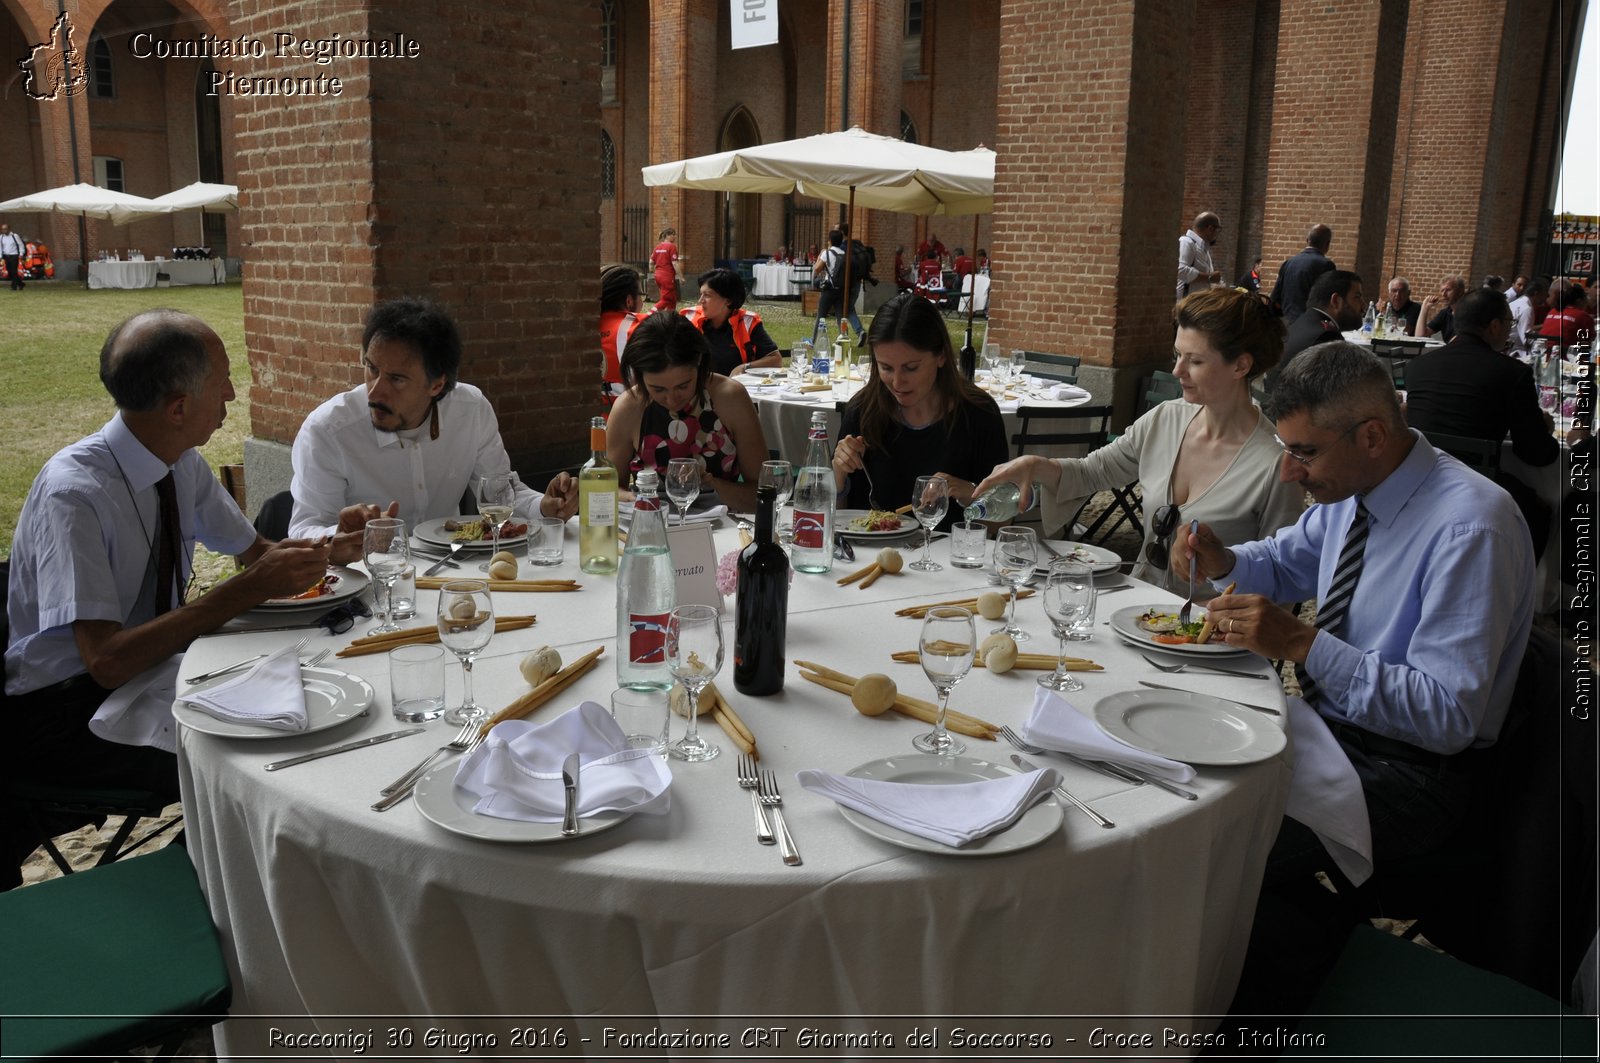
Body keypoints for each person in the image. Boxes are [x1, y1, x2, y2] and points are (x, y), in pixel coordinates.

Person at [1177, 342, 1534, 1013]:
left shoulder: (1470, 526)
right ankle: (1269, 968)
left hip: (1417, 773)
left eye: (1303, 452)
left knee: (1211, 842)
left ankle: (1254, 1001)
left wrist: (1302, 644)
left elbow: (1448, 718)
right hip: (1333, 733)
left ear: (1372, 434)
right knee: (1181, 775)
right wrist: (1227, 557)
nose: (1287, 471)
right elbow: (1287, 561)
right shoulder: (1354, 487)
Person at [6, 309, 335, 806]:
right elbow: (107, 663)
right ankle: (204, 878)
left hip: (156, 670)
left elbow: (257, 554)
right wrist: (244, 589)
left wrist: (333, 548)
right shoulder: (74, 495)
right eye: (223, 382)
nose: (230, 394)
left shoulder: (180, 460)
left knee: (309, 699)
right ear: (178, 409)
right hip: (62, 709)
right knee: (258, 769)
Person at [974, 287, 1304, 596]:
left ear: (1241, 366)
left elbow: (1281, 579)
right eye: (1177, 355)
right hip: (1137, 614)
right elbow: (1093, 471)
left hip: (1212, 640)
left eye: (1195, 360)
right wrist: (1037, 465)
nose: (1177, 371)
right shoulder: (1164, 420)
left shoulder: (1276, 463)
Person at [289, 298, 578, 541]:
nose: (376, 392)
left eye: (397, 379)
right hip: (369, 580)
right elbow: (303, 530)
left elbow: (500, 496)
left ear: (437, 385)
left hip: (454, 570)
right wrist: (338, 533)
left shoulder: (470, 410)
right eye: (372, 369)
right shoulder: (328, 431)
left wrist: (545, 506)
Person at [829, 292, 1008, 527]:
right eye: (886, 368)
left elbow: (1003, 521)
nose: (897, 382)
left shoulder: (979, 414)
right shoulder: (864, 411)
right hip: (873, 557)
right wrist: (838, 475)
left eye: (911, 368)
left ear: (941, 356)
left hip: (952, 558)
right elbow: (832, 520)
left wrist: (969, 493)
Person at [1402, 288, 1557, 558]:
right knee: (1542, 511)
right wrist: (1543, 427)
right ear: (1494, 326)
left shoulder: (1418, 367)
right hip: (1476, 486)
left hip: (1417, 480)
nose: (1509, 330)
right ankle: (1522, 591)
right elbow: (1535, 453)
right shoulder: (1512, 373)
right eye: (1509, 323)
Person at [607, 310, 769, 513]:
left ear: (699, 361)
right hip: (652, 523)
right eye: (658, 389)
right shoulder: (630, 407)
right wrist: (636, 498)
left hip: (725, 528)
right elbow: (608, 490)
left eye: (683, 386)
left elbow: (763, 493)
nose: (672, 399)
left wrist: (712, 484)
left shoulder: (729, 398)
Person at [1270, 270, 1365, 391]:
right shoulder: (1327, 338)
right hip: (1288, 407)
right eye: (1357, 297)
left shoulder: (1302, 323)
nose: (1363, 305)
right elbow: (1342, 393)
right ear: (1336, 301)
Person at [681, 267, 779, 377]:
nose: (700, 301)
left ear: (728, 300)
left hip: (735, 388)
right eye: (701, 294)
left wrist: (744, 367)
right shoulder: (689, 319)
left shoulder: (747, 323)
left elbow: (775, 359)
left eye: (707, 295)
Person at [600, 264, 645, 405]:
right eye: (641, 295)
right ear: (629, 301)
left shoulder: (581, 326)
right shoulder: (640, 327)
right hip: (629, 419)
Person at [1271, 224, 1335, 323]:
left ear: (1307, 240)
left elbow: (1275, 298)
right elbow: (1328, 301)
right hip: (1310, 325)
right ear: (1327, 244)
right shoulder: (1326, 265)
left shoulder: (1289, 262)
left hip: (1286, 324)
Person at [813, 228, 865, 341]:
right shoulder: (845, 254)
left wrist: (819, 257)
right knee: (841, 317)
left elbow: (817, 269)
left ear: (830, 241)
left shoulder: (826, 253)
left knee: (820, 316)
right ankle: (843, 338)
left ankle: (813, 340)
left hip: (829, 289)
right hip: (842, 289)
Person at [1177, 211, 1223, 300]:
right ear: (1210, 229)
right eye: (1217, 231)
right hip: (1185, 304)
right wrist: (1209, 277)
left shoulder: (1203, 248)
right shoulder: (1187, 242)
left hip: (1197, 304)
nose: (1216, 235)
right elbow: (1180, 270)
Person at [1538, 280, 1596, 350]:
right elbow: (1588, 341)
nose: (1586, 302)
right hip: (1564, 354)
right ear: (1579, 301)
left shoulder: (1553, 311)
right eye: (1585, 299)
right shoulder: (1583, 316)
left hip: (1541, 350)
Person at [1416, 274, 1466, 341]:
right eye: (1442, 290)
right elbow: (1420, 336)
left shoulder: (1471, 311)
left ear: (1460, 291)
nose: (1443, 294)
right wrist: (1424, 308)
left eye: (1448, 290)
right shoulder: (1445, 313)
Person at [1508, 274, 1549, 351]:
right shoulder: (1527, 309)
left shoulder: (1518, 302)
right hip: (1516, 351)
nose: (1547, 297)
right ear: (1536, 294)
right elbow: (1527, 339)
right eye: (1545, 295)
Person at [649, 227, 683, 311]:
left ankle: (670, 318)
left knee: (672, 299)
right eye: (673, 234)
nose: (675, 236)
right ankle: (649, 314)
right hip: (667, 277)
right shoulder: (671, 247)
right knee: (666, 299)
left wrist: (654, 272)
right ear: (668, 235)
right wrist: (681, 277)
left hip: (658, 275)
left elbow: (650, 262)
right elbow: (674, 263)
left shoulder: (657, 247)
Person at [0, 223, 25, 291]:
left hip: (14, 255)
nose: (4, 230)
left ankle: (13, 287)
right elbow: (0, 247)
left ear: (9, 229)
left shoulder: (14, 236)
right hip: (6, 256)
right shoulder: (1, 237)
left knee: (14, 271)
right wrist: (1, 256)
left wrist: (21, 253)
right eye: (2, 229)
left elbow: (21, 245)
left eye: (5, 229)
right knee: (10, 272)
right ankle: (21, 284)